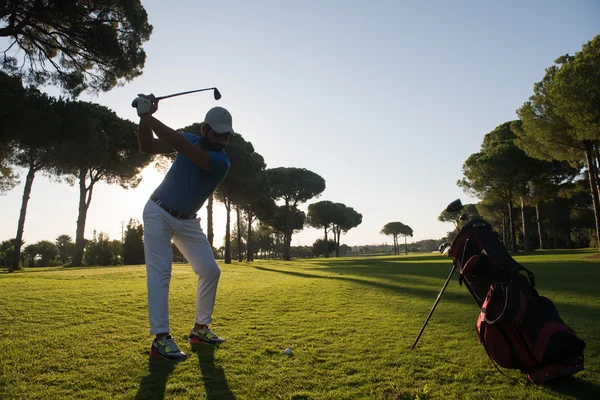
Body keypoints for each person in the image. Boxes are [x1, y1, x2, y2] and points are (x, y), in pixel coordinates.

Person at [132, 94, 232, 361]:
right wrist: (144, 120)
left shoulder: (221, 162)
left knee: (210, 271)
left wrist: (147, 115)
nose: (222, 140)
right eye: (218, 135)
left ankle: (200, 329)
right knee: (161, 273)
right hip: (157, 212)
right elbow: (146, 145)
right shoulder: (189, 138)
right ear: (205, 129)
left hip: (187, 221)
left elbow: (187, 150)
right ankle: (161, 339)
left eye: (226, 136)